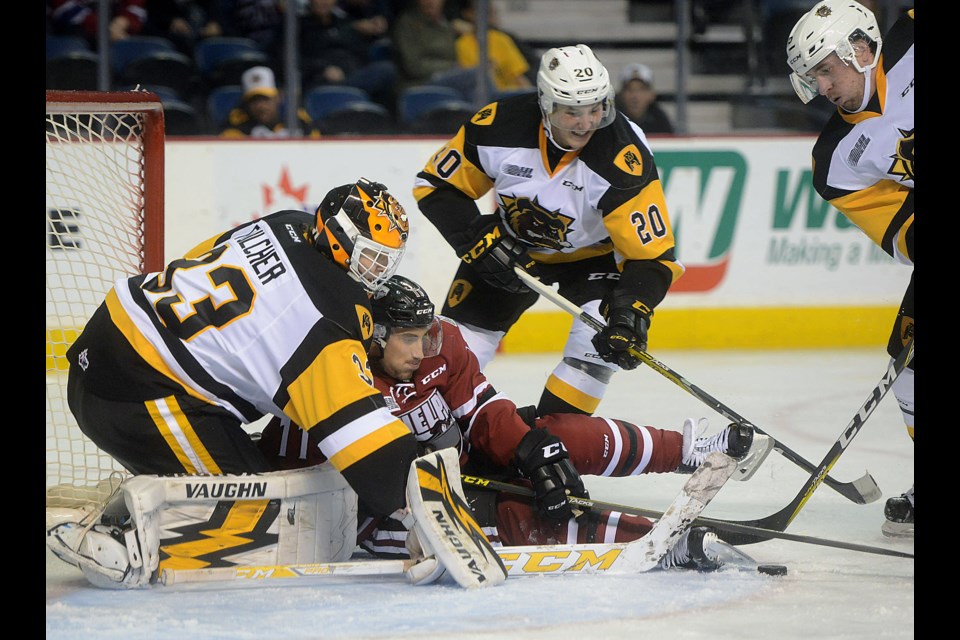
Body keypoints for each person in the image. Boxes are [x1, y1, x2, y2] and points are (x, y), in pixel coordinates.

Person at [48, 178, 454, 587]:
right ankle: (113, 540)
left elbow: (195, 263)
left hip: (118, 336)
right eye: (370, 259)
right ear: (338, 239)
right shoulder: (330, 312)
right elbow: (361, 439)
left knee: (257, 485)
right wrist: (418, 508)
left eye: (387, 261)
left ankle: (122, 509)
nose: (377, 273)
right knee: (255, 524)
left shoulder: (286, 223)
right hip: (138, 386)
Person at [257, 275, 770, 570]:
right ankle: (664, 544)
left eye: (425, 336)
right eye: (407, 339)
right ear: (376, 335)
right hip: (385, 512)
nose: (422, 350)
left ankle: (687, 450)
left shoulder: (443, 349)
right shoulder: (336, 378)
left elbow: (483, 412)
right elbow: (303, 479)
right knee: (513, 516)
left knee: (559, 435)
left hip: (456, 465)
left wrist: (531, 452)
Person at [412, 43, 684, 417]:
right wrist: (476, 238)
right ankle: (427, 432)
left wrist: (631, 310)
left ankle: (552, 441)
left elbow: (652, 257)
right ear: (546, 104)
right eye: (572, 112)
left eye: (595, 109)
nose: (587, 123)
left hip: (595, 259)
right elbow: (435, 186)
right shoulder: (497, 125)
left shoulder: (623, 155)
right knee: (451, 354)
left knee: (592, 353)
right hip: (508, 249)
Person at [784, 1, 913, 537]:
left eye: (826, 69)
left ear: (859, 50)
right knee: (907, 361)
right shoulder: (835, 157)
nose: (822, 85)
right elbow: (902, 228)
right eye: (813, 76)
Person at [298, 0, 397, 110]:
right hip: (321, 80)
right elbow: (295, 60)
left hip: (354, 77)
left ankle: (347, 94)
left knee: (386, 69)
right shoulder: (299, 26)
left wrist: (370, 32)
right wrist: (323, 69)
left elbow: (361, 52)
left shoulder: (345, 23)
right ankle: (346, 95)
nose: (324, 2)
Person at [454, 0, 534, 96]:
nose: (487, 16)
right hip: (481, 96)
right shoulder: (462, 44)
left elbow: (519, 76)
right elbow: (470, 78)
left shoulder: (501, 39)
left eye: (489, 12)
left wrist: (532, 97)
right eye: (481, 12)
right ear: (468, 14)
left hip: (509, 95)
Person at [219, 65, 321, 138]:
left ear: (278, 98)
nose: (261, 106)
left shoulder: (297, 122)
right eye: (253, 101)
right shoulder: (238, 128)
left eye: (265, 99)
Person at [615, 62, 675, 134]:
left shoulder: (661, 122)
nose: (635, 96)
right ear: (621, 94)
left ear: (652, 95)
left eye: (642, 89)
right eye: (629, 89)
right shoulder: (612, 122)